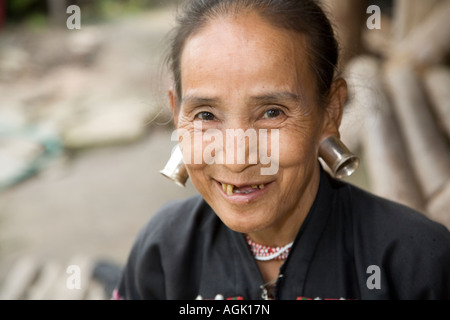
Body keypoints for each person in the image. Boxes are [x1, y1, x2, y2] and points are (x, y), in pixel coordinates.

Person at [114, 0, 450, 300]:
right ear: (177, 116)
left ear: (330, 112)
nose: (236, 158)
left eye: (272, 112)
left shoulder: (417, 261)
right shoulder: (163, 250)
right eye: (206, 115)